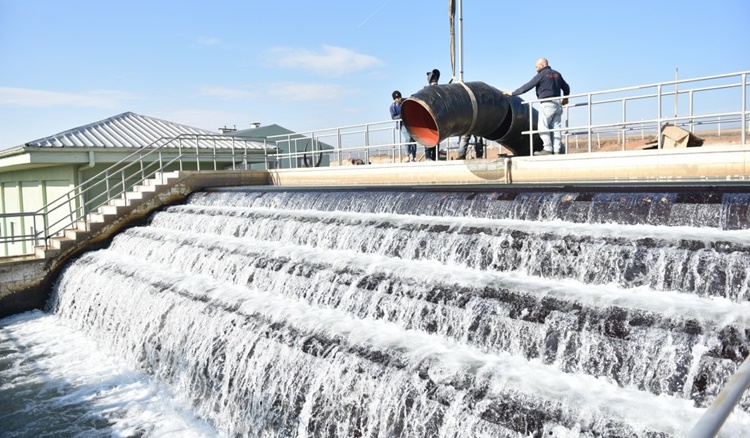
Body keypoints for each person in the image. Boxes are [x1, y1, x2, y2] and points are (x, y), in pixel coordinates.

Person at [505, 57, 570, 156]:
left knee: (543, 127)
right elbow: (566, 87)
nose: (536, 69)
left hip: (547, 104)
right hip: (557, 104)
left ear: (542, 65)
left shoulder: (542, 74)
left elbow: (528, 86)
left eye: (537, 67)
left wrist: (513, 93)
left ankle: (548, 148)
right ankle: (557, 150)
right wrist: (565, 98)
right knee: (556, 128)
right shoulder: (557, 74)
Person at [389, 90, 416, 162]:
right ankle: (407, 155)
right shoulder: (393, 107)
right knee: (408, 138)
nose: (399, 99)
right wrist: (401, 116)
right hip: (402, 124)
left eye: (400, 97)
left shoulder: (405, 101)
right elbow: (393, 117)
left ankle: (413, 157)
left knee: (413, 139)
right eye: (397, 98)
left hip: (410, 123)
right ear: (394, 99)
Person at [424, 69, 440, 160]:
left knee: (437, 138)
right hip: (428, 118)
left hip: (437, 119)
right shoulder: (425, 91)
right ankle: (428, 156)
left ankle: (435, 156)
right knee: (428, 138)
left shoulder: (439, 91)